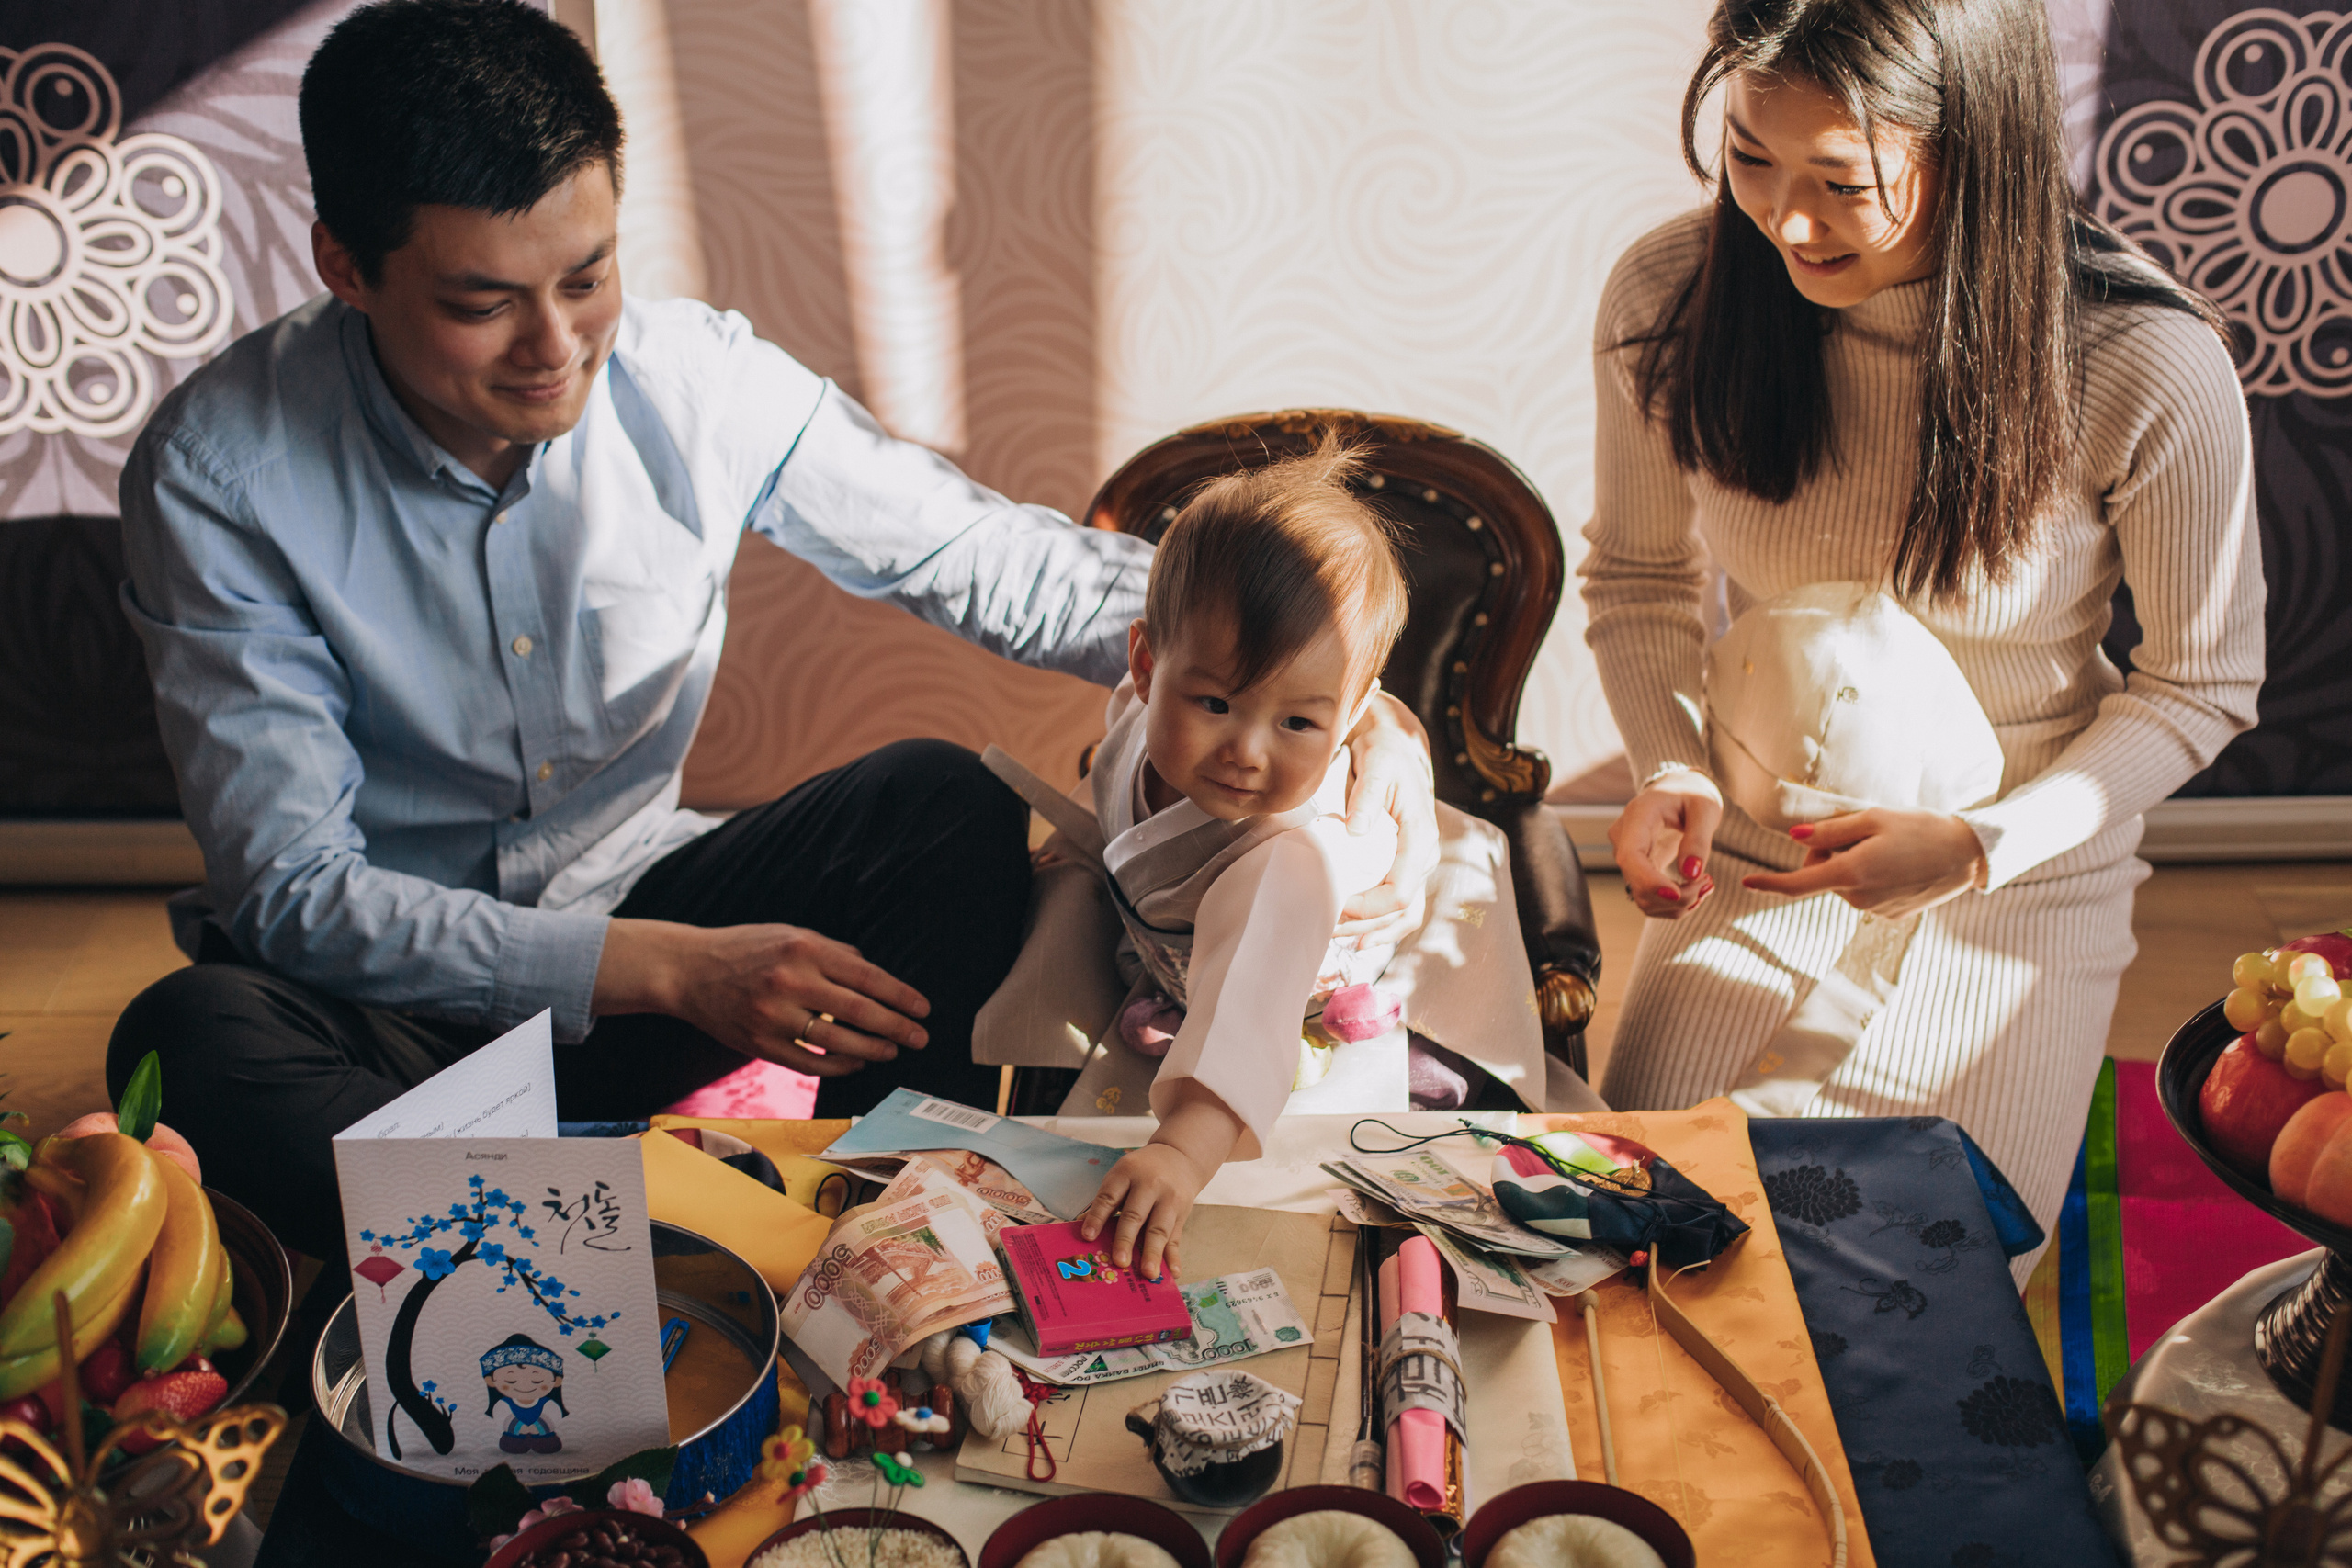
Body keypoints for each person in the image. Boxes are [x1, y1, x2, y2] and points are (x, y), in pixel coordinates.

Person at [105, 0, 1438, 1266]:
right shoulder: (221, 472)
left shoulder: (694, 380)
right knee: (190, 1037)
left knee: (941, 801)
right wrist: (671, 970)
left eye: (589, 275)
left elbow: (975, 555)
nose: (554, 346)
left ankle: (899, 1212)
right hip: (385, 1012)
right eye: (481, 303)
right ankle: (622, 1242)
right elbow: (292, 889)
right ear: (347, 265)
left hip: (636, 918)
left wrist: (1279, 677)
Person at [1582, 0, 2265, 1268]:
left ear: (1974, 148)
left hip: (2018, 874)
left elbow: (2200, 685)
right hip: (1758, 848)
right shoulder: (1672, 297)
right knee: (1640, 1243)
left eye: (1840, 181)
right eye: (1748, 158)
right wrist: (1671, 766)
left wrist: (1977, 846)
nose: (1784, 219)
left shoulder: (2140, 357)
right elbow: (1634, 582)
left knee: (1916, 1291)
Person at [985, 440, 1583, 1281]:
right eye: (1216, 702)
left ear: (1353, 715)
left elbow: (1249, 1007)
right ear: (1145, 665)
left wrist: (1183, 1155)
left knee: (1303, 1188)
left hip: (1293, 995)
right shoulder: (1134, 713)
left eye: (1299, 723)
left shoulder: (1292, 857)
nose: (1247, 751)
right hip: (1185, 956)